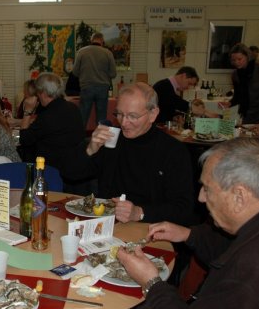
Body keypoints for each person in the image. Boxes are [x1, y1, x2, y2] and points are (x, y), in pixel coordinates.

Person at [87, 138, 259, 309]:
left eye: (207, 189)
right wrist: (188, 234)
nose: (200, 197)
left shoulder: (254, 273)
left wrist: (151, 283)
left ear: (240, 197)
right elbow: (227, 247)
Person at [75, 83, 194, 225]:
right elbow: (74, 175)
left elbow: (184, 209)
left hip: (151, 228)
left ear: (153, 114)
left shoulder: (173, 151)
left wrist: (140, 212)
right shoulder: (112, 141)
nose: (124, 123)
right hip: (108, 225)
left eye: (132, 116)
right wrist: (90, 150)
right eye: (119, 114)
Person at [18, 73, 85, 184]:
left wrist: (27, 112)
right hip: (75, 166)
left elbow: (24, 139)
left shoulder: (48, 115)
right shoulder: (73, 108)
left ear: (43, 93)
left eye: (38, 93)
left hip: (51, 171)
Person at [223, 43, 259, 124]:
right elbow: (238, 96)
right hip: (247, 114)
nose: (236, 62)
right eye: (234, 60)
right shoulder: (235, 75)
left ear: (247, 57)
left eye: (239, 59)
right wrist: (230, 103)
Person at [72, 32, 117, 128]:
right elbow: (113, 74)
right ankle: (100, 141)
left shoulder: (82, 52)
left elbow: (75, 72)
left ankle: (80, 139)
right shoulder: (108, 53)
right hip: (103, 89)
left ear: (91, 40)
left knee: (83, 116)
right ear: (102, 41)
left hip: (86, 87)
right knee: (101, 118)